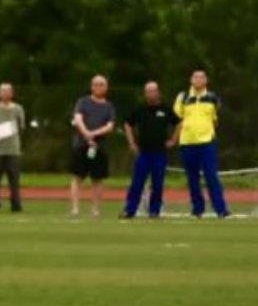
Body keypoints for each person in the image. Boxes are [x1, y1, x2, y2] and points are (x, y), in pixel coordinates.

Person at [174, 68, 229, 218]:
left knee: (211, 176)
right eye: (195, 77)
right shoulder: (183, 97)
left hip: (207, 142)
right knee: (192, 178)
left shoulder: (213, 97)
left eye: (201, 77)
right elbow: (177, 118)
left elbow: (216, 119)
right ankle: (198, 209)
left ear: (206, 81)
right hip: (187, 142)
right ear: (191, 80)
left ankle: (221, 209)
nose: (198, 80)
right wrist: (175, 138)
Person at [121, 80, 176, 219]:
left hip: (160, 153)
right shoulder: (140, 109)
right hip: (143, 153)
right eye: (148, 91)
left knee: (157, 183)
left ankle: (154, 211)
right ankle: (129, 210)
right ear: (145, 94)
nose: (150, 94)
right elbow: (127, 124)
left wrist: (173, 140)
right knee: (137, 183)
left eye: (153, 91)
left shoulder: (166, 109)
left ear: (158, 92)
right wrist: (131, 143)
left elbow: (179, 123)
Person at [69, 74, 117, 218]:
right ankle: (75, 209)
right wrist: (86, 134)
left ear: (106, 87)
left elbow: (110, 126)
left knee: (97, 179)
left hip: (100, 146)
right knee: (77, 177)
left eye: (102, 84)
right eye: (95, 84)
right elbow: (78, 119)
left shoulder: (109, 106)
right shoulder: (82, 102)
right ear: (91, 86)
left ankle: (95, 210)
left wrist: (93, 134)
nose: (98, 87)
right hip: (81, 145)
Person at [0, 82, 27, 213]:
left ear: (12, 93)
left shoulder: (18, 109)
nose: (5, 93)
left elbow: (21, 126)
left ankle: (16, 203)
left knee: (14, 179)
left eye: (8, 91)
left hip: (13, 150)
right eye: (2, 91)